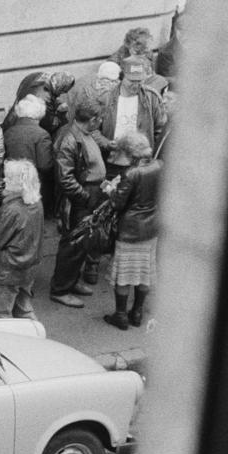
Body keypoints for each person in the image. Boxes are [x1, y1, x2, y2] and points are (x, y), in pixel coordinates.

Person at [49, 96, 109, 308]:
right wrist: (85, 197)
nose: (101, 122)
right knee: (72, 245)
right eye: (99, 118)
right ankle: (61, 289)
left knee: (82, 243)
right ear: (92, 119)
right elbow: (65, 178)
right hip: (78, 200)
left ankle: (72, 281)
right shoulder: (69, 139)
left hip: (88, 195)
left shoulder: (83, 133)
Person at [102, 131, 162, 330]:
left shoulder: (131, 173)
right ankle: (137, 312)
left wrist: (111, 189)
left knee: (124, 275)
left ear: (129, 152)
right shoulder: (159, 165)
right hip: (151, 228)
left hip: (130, 230)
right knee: (144, 273)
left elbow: (118, 204)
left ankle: (120, 315)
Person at [0, 160, 45, 319]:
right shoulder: (36, 202)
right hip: (29, 264)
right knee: (23, 308)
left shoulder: (12, 208)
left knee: (1, 313)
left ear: (17, 183)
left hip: (9, 268)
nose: (4, 181)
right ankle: (35, 337)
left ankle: (3, 342)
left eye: (8, 178)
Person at [3, 94, 55, 217]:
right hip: (34, 189)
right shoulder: (42, 134)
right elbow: (45, 165)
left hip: (12, 184)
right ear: (39, 114)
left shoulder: (9, 132)